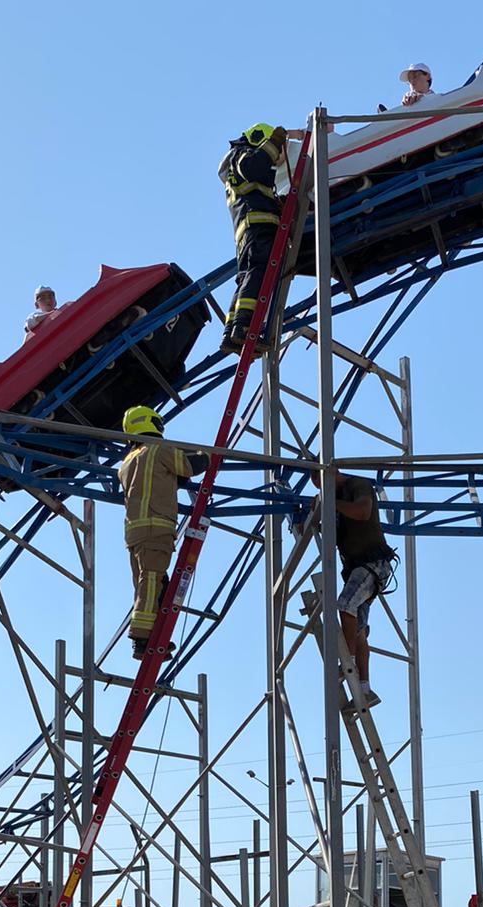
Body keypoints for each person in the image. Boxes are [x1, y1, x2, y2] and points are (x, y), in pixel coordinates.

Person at [117, 405, 209, 659]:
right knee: (150, 584)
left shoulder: (127, 462)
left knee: (151, 585)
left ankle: (154, 634)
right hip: (156, 527)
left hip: (135, 533)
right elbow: (188, 465)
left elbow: (154, 481)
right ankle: (141, 639)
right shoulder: (160, 449)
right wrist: (208, 456)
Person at [307, 467, 397, 709]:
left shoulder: (358, 485)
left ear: (332, 472)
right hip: (358, 570)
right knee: (357, 629)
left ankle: (349, 662)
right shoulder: (337, 500)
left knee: (346, 605)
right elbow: (334, 537)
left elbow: (363, 511)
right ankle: (364, 689)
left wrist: (330, 503)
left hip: (372, 565)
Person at [218, 122, 295, 355]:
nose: (276, 158)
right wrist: (274, 142)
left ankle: (231, 333)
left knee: (246, 279)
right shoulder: (241, 156)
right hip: (257, 225)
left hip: (249, 229)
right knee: (258, 273)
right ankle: (243, 327)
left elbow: (256, 188)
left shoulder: (236, 170)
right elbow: (253, 168)